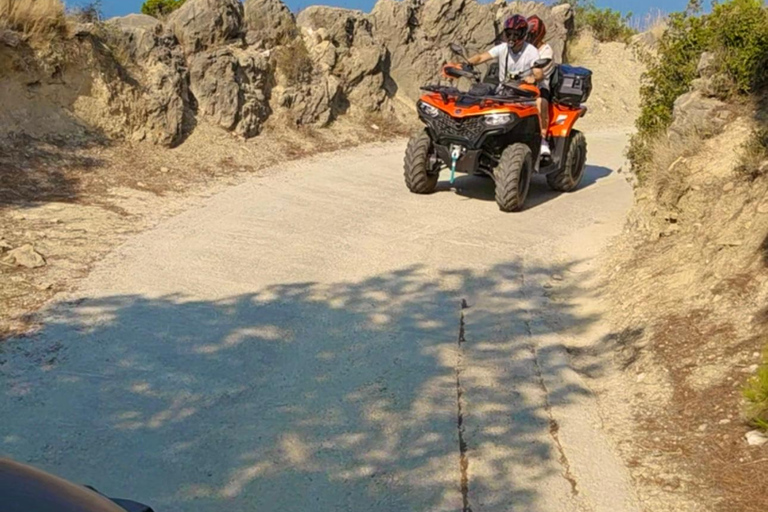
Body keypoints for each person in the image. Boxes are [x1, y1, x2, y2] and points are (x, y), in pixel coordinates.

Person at [467, 14, 540, 86]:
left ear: (523, 34)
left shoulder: (532, 51)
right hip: (502, 91)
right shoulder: (502, 48)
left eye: (516, 34)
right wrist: (465, 63)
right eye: (509, 33)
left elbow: (538, 72)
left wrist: (533, 77)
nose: (512, 37)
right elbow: (481, 57)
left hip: (523, 92)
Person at [527, 15, 555, 157]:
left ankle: (543, 139)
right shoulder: (522, 48)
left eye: (532, 34)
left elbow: (541, 74)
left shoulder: (546, 51)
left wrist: (532, 77)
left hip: (540, 86)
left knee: (540, 102)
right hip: (518, 86)